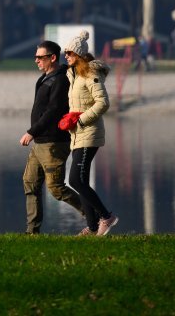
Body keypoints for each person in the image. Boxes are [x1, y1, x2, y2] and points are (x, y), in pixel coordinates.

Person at [19, 40, 84, 234]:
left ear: (52, 58)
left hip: (54, 142)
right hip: (40, 143)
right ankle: (32, 232)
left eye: (40, 57)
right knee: (30, 183)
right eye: (36, 57)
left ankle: (95, 216)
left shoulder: (61, 79)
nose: (36, 61)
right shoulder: (45, 78)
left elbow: (54, 110)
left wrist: (32, 132)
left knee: (56, 188)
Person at [61, 30, 118, 236]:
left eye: (69, 53)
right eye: (65, 53)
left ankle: (106, 217)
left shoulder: (90, 74)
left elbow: (103, 103)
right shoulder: (73, 74)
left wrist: (81, 119)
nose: (65, 56)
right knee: (80, 180)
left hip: (89, 132)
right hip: (77, 134)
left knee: (75, 180)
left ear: (78, 54)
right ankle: (93, 227)